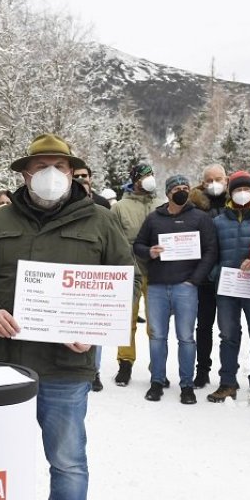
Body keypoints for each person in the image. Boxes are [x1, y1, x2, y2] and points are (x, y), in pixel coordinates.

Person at [0, 134, 133, 500]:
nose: (51, 174)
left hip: (65, 369)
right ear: (24, 174)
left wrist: (94, 329)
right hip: (5, 366)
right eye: (41, 167)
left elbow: (125, 283)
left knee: (67, 463)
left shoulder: (100, 220)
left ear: (73, 172)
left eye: (59, 166)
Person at [133, 175, 218, 404]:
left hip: (185, 287)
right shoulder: (154, 219)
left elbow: (211, 250)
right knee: (157, 337)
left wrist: (195, 279)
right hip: (157, 285)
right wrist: (149, 252)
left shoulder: (200, 218)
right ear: (168, 193)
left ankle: (187, 385)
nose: (181, 191)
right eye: (177, 188)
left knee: (186, 338)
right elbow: (138, 245)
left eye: (185, 188)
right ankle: (157, 381)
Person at [205, 171, 250, 407]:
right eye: (236, 189)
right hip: (227, 288)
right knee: (228, 336)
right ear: (230, 193)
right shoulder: (219, 221)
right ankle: (228, 383)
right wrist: (216, 274)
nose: (241, 193)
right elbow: (210, 253)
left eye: (245, 189)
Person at [110, 163, 160, 386]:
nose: (149, 179)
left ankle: (157, 365)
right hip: (129, 272)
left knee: (155, 324)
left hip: (157, 272)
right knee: (126, 321)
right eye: (144, 176)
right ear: (135, 180)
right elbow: (113, 239)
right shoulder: (120, 207)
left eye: (151, 175)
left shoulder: (161, 204)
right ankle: (125, 362)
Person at [187, 164, 229, 388]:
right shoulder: (194, 206)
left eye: (218, 178)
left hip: (231, 276)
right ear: (202, 183)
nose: (214, 183)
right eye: (209, 180)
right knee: (203, 326)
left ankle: (228, 372)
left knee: (229, 328)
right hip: (203, 275)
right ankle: (202, 370)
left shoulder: (236, 203)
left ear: (226, 179)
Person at [71, 157, 111, 390]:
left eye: (84, 176)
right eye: (77, 176)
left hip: (96, 277)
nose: (81, 180)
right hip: (71, 275)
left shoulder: (103, 205)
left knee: (93, 329)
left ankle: (93, 371)